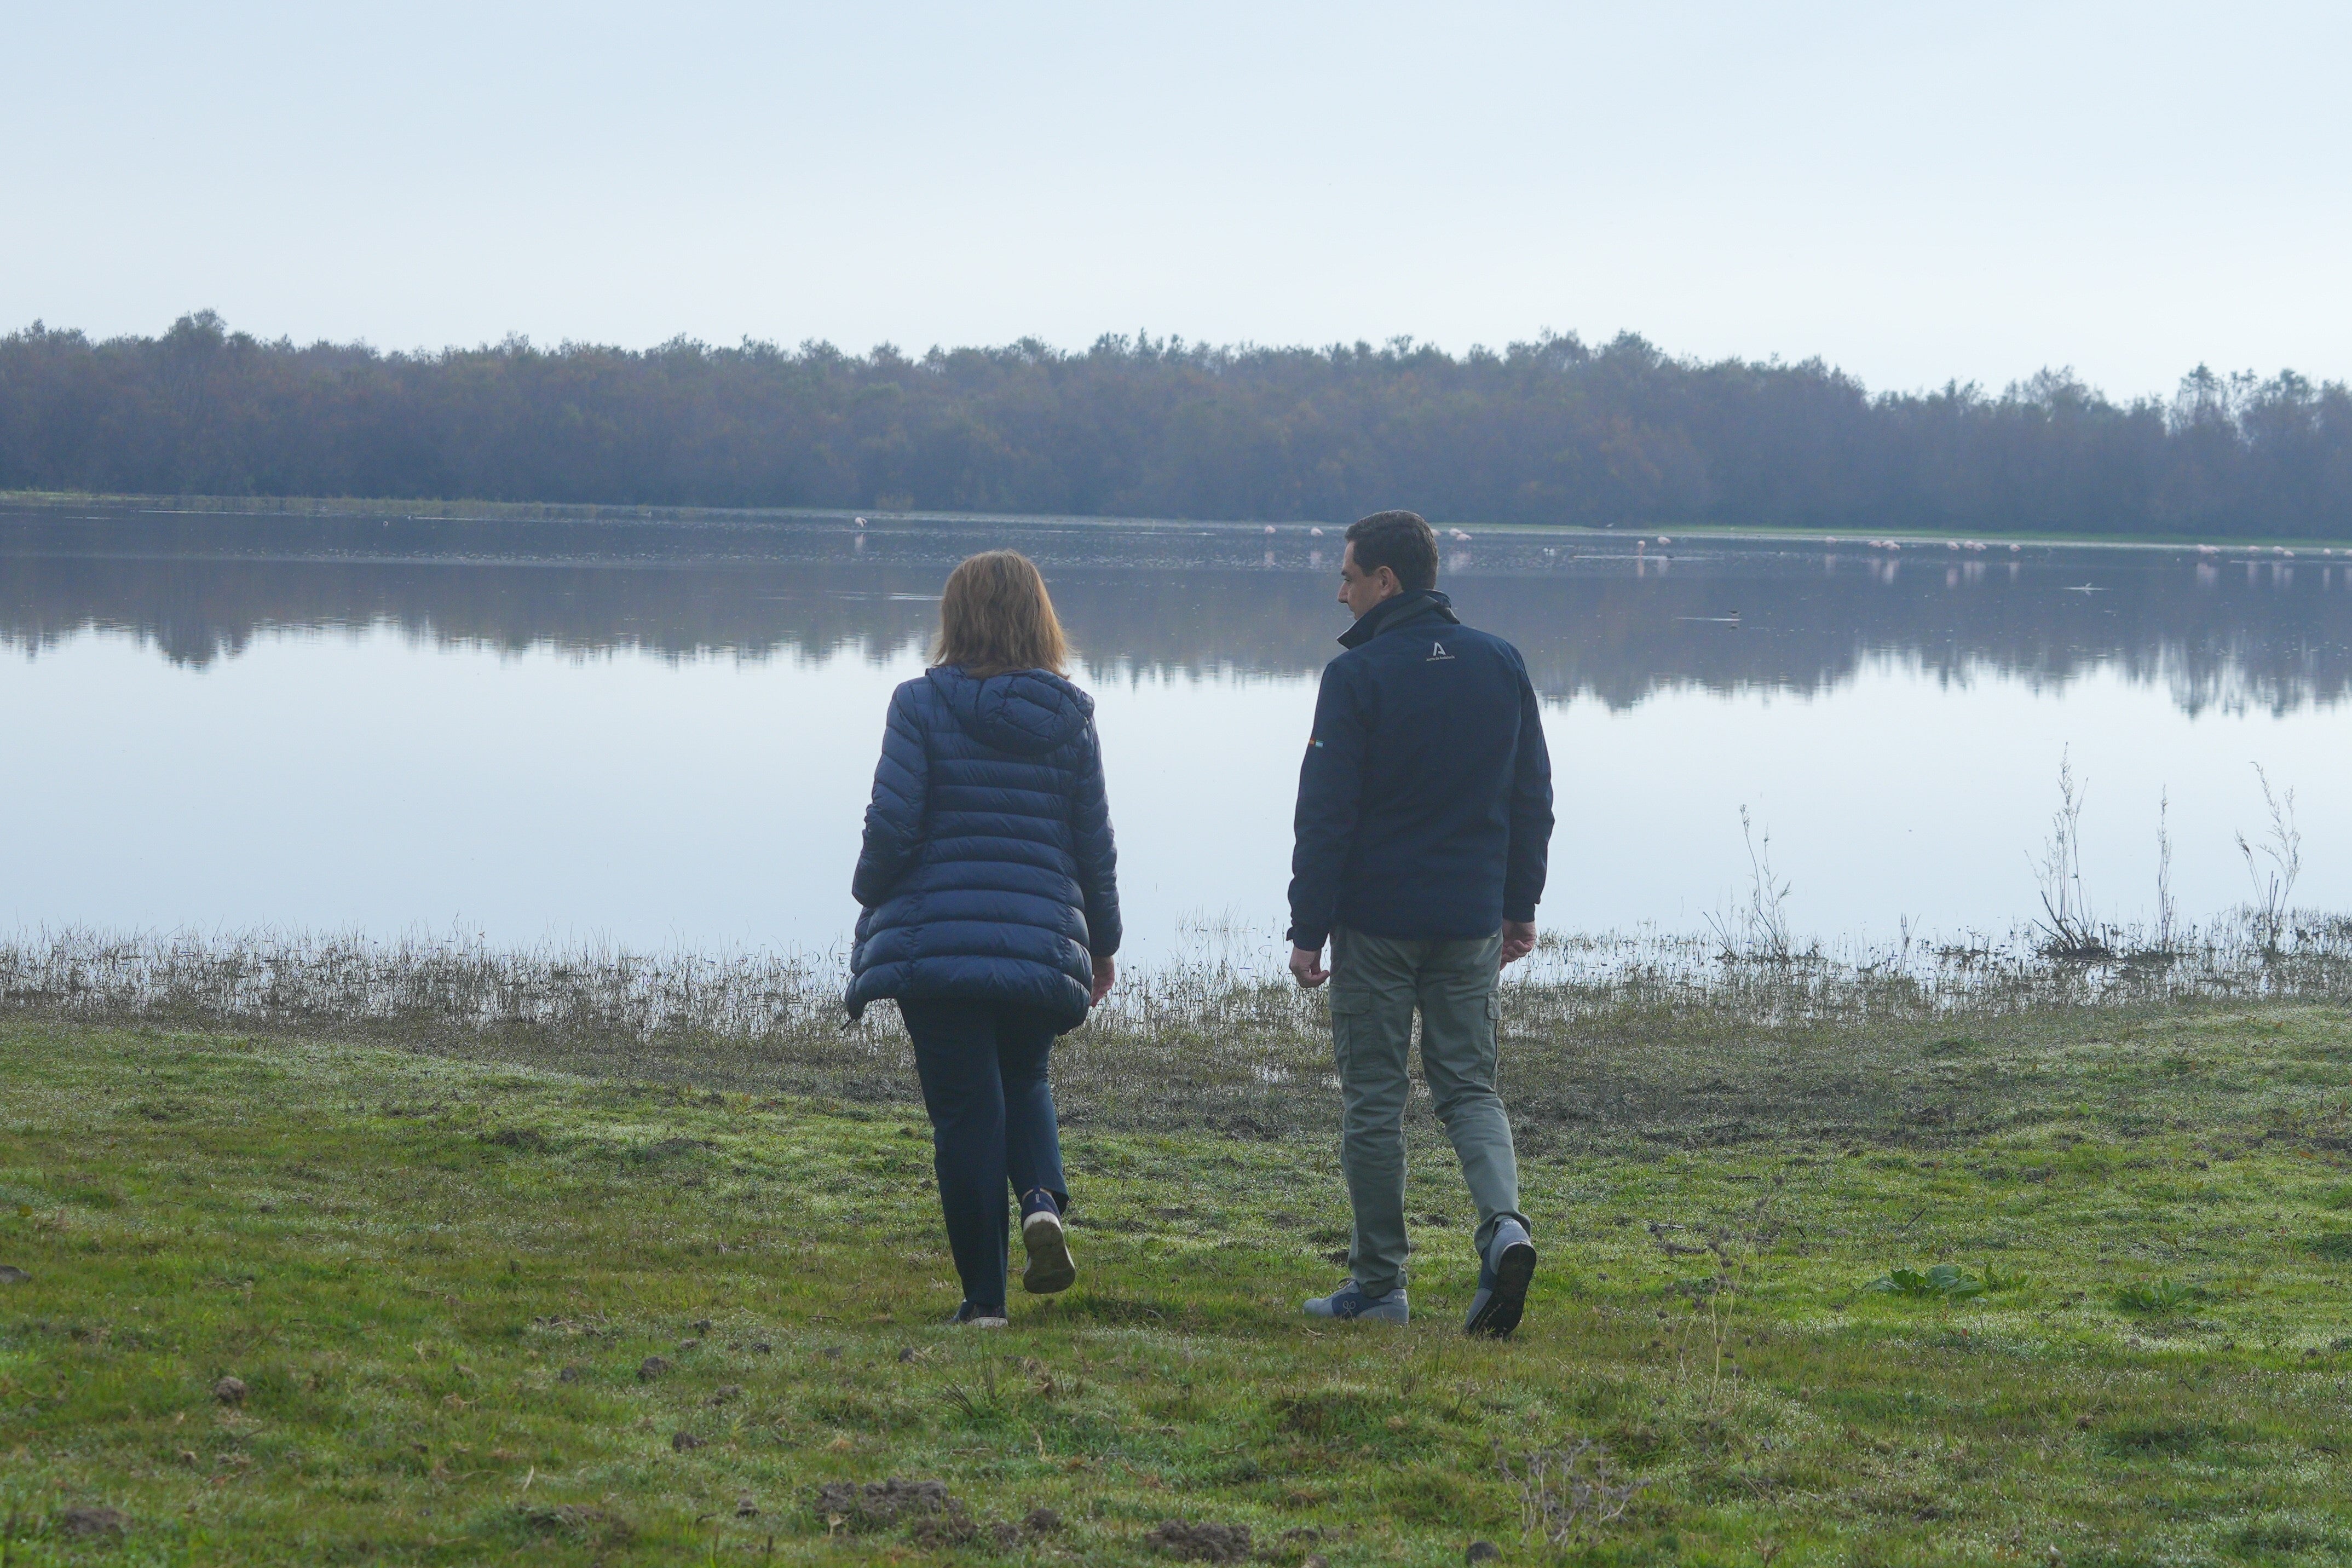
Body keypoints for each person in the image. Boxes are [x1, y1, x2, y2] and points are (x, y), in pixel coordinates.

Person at [1287, 510, 1554, 1335]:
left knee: (1373, 1097)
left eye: (1348, 577)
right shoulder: (1500, 663)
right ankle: (1504, 1227)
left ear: (1386, 583)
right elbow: (1533, 801)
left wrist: (1308, 927)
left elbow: (1325, 813)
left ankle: (1379, 1288)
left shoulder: (1358, 676)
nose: (1340, 593)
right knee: (1470, 1087)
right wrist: (1519, 907)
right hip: (1470, 917)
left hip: (1377, 923)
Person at [845, 550, 1120, 1328]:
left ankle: (985, 1304)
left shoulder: (919, 704)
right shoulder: (1071, 715)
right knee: (1025, 1079)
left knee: (966, 1113)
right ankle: (1039, 1202)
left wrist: (869, 890)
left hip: (938, 946)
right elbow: (1093, 844)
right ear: (1040, 617)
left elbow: (893, 823)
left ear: (954, 617)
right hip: (1037, 942)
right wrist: (1102, 943)